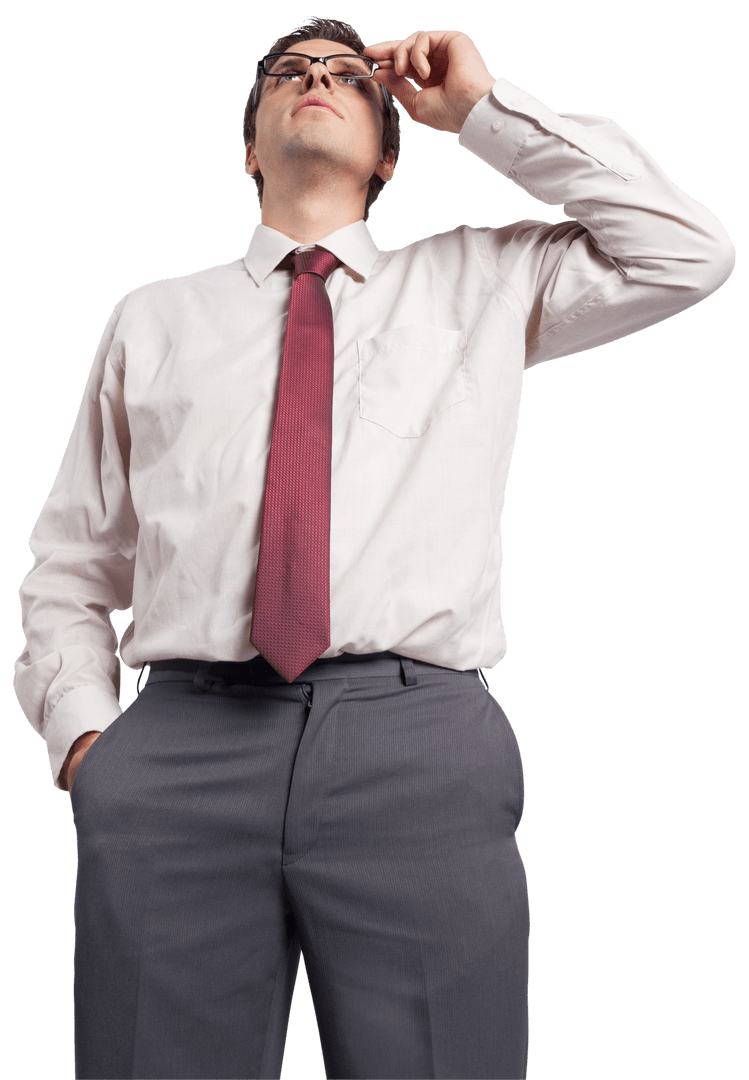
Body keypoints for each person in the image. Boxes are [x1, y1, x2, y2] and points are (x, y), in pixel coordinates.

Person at [12, 14, 735, 1080]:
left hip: (417, 748)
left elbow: (688, 251)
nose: (314, 81)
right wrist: (87, 740)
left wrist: (482, 114)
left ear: (391, 148)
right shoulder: (150, 321)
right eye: (287, 73)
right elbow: (71, 564)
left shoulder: (478, 282)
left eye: (347, 76)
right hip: (180, 754)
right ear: (249, 143)